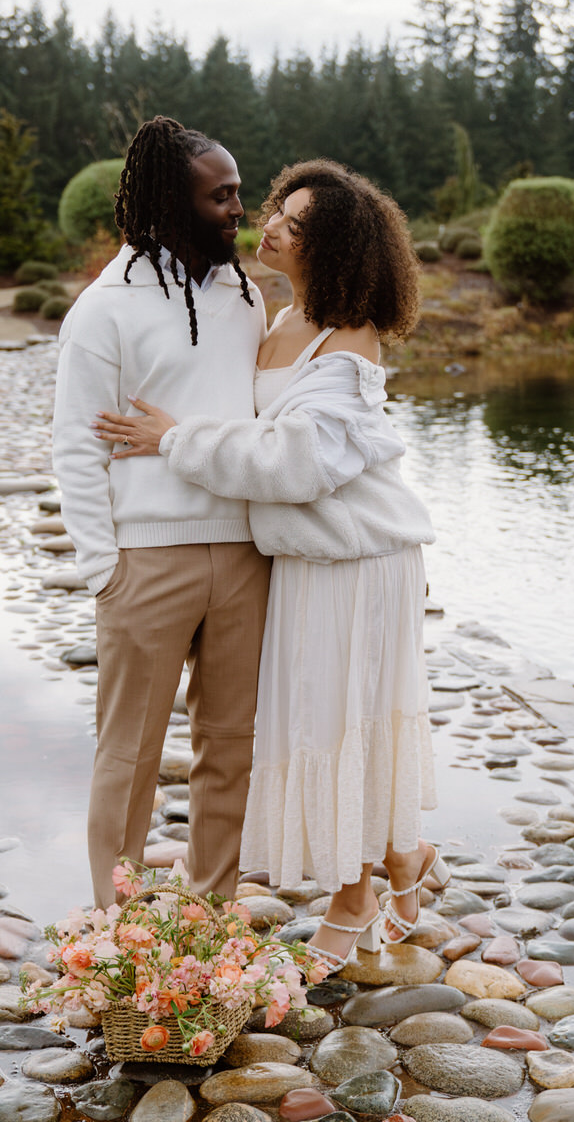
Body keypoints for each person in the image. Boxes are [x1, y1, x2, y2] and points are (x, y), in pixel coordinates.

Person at [92, 159, 447, 970]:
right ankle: (403, 857)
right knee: (318, 722)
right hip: (303, 558)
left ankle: (354, 900)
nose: (272, 225)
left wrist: (174, 440)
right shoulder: (274, 315)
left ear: (335, 248)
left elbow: (296, 464)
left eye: (296, 223)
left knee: (340, 724)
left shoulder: (347, 340)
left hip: (360, 560)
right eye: (279, 210)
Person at [52, 116, 272, 911]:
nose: (238, 208)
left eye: (238, 193)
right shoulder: (104, 310)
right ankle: (118, 927)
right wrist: (102, 570)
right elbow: (75, 448)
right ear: (172, 204)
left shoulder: (245, 296)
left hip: (244, 556)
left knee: (231, 745)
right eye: (222, 196)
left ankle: (209, 912)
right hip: (145, 562)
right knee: (130, 754)